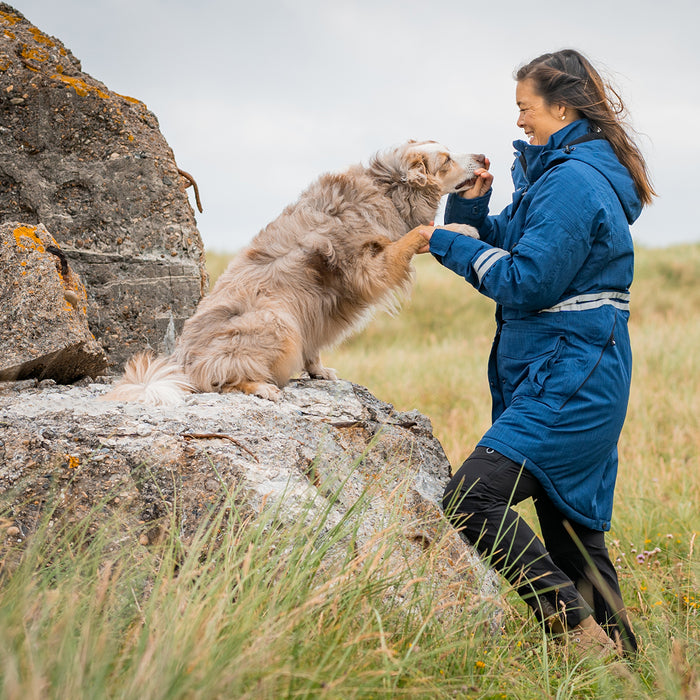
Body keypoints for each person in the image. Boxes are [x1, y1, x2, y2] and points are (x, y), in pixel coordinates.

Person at [413, 49, 655, 658]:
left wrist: (440, 242)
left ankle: (575, 636)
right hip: (573, 369)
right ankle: (624, 665)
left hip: (572, 375)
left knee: (472, 499)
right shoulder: (560, 175)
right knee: (571, 531)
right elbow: (510, 240)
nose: (520, 122)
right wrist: (468, 207)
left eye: (526, 108)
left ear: (561, 106)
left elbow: (526, 279)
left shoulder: (571, 181)